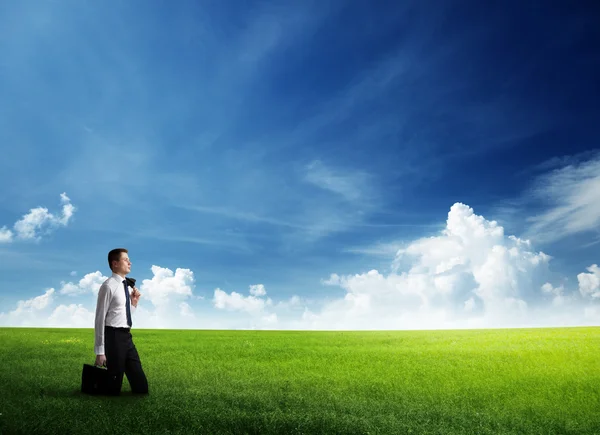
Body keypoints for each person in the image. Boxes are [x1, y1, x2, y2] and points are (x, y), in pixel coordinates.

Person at [94, 248, 148, 395]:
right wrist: (100, 351)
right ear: (115, 263)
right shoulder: (108, 286)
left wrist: (134, 304)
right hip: (113, 336)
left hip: (126, 336)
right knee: (113, 388)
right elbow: (99, 319)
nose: (130, 262)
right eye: (126, 259)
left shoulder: (126, 286)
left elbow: (122, 316)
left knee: (141, 387)